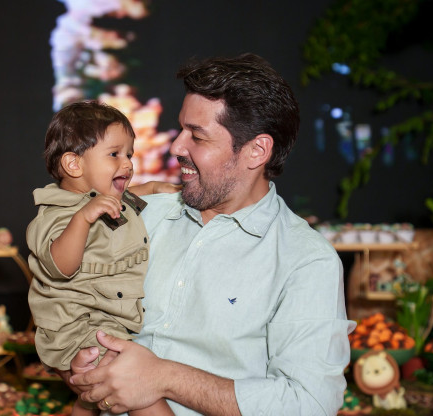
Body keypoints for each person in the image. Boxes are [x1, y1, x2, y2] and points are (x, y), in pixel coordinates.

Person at [63, 53, 356, 415]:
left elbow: (309, 404)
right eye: (181, 129)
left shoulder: (306, 260)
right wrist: (80, 366)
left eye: (197, 137)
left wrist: (165, 377)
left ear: (256, 151)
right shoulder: (143, 215)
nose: (176, 147)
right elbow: (65, 305)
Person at [26, 101, 177, 416]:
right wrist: (82, 219)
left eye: (129, 155)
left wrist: (154, 187)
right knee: (140, 389)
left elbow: (130, 197)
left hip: (104, 321)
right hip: (75, 325)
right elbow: (61, 266)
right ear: (74, 164)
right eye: (115, 154)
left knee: (94, 393)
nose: (128, 164)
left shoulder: (106, 199)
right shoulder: (58, 213)